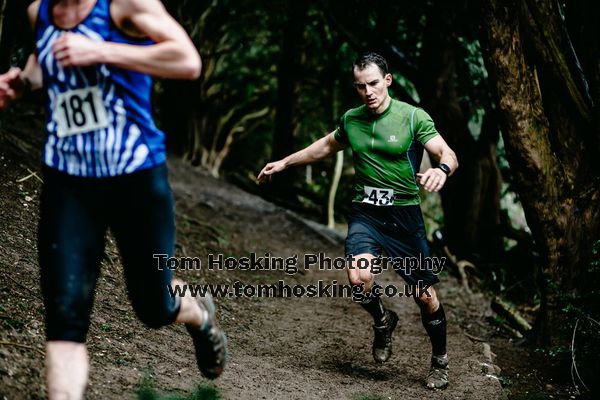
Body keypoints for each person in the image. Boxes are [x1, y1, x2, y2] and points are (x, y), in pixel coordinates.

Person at [0, 0, 227, 398]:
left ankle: (197, 312)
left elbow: (187, 60)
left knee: (154, 306)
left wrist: (102, 50)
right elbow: (43, 59)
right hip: (67, 181)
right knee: (65, 315)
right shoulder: (39, 12)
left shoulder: (125, 5)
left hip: (135, 179)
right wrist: (22, 81)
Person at [258, 52, 458, 389]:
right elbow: (324, 146)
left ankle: (440, 360)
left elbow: (447, 153)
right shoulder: (352, 119)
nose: (368, 92)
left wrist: (441, 170)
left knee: (424, 295)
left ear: (388, 81)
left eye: (374, 84)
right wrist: (284, 163)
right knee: (358, 277)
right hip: (365, 213)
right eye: (361, 86)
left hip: (403, 216)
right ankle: (382, 320)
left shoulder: (413, 118)